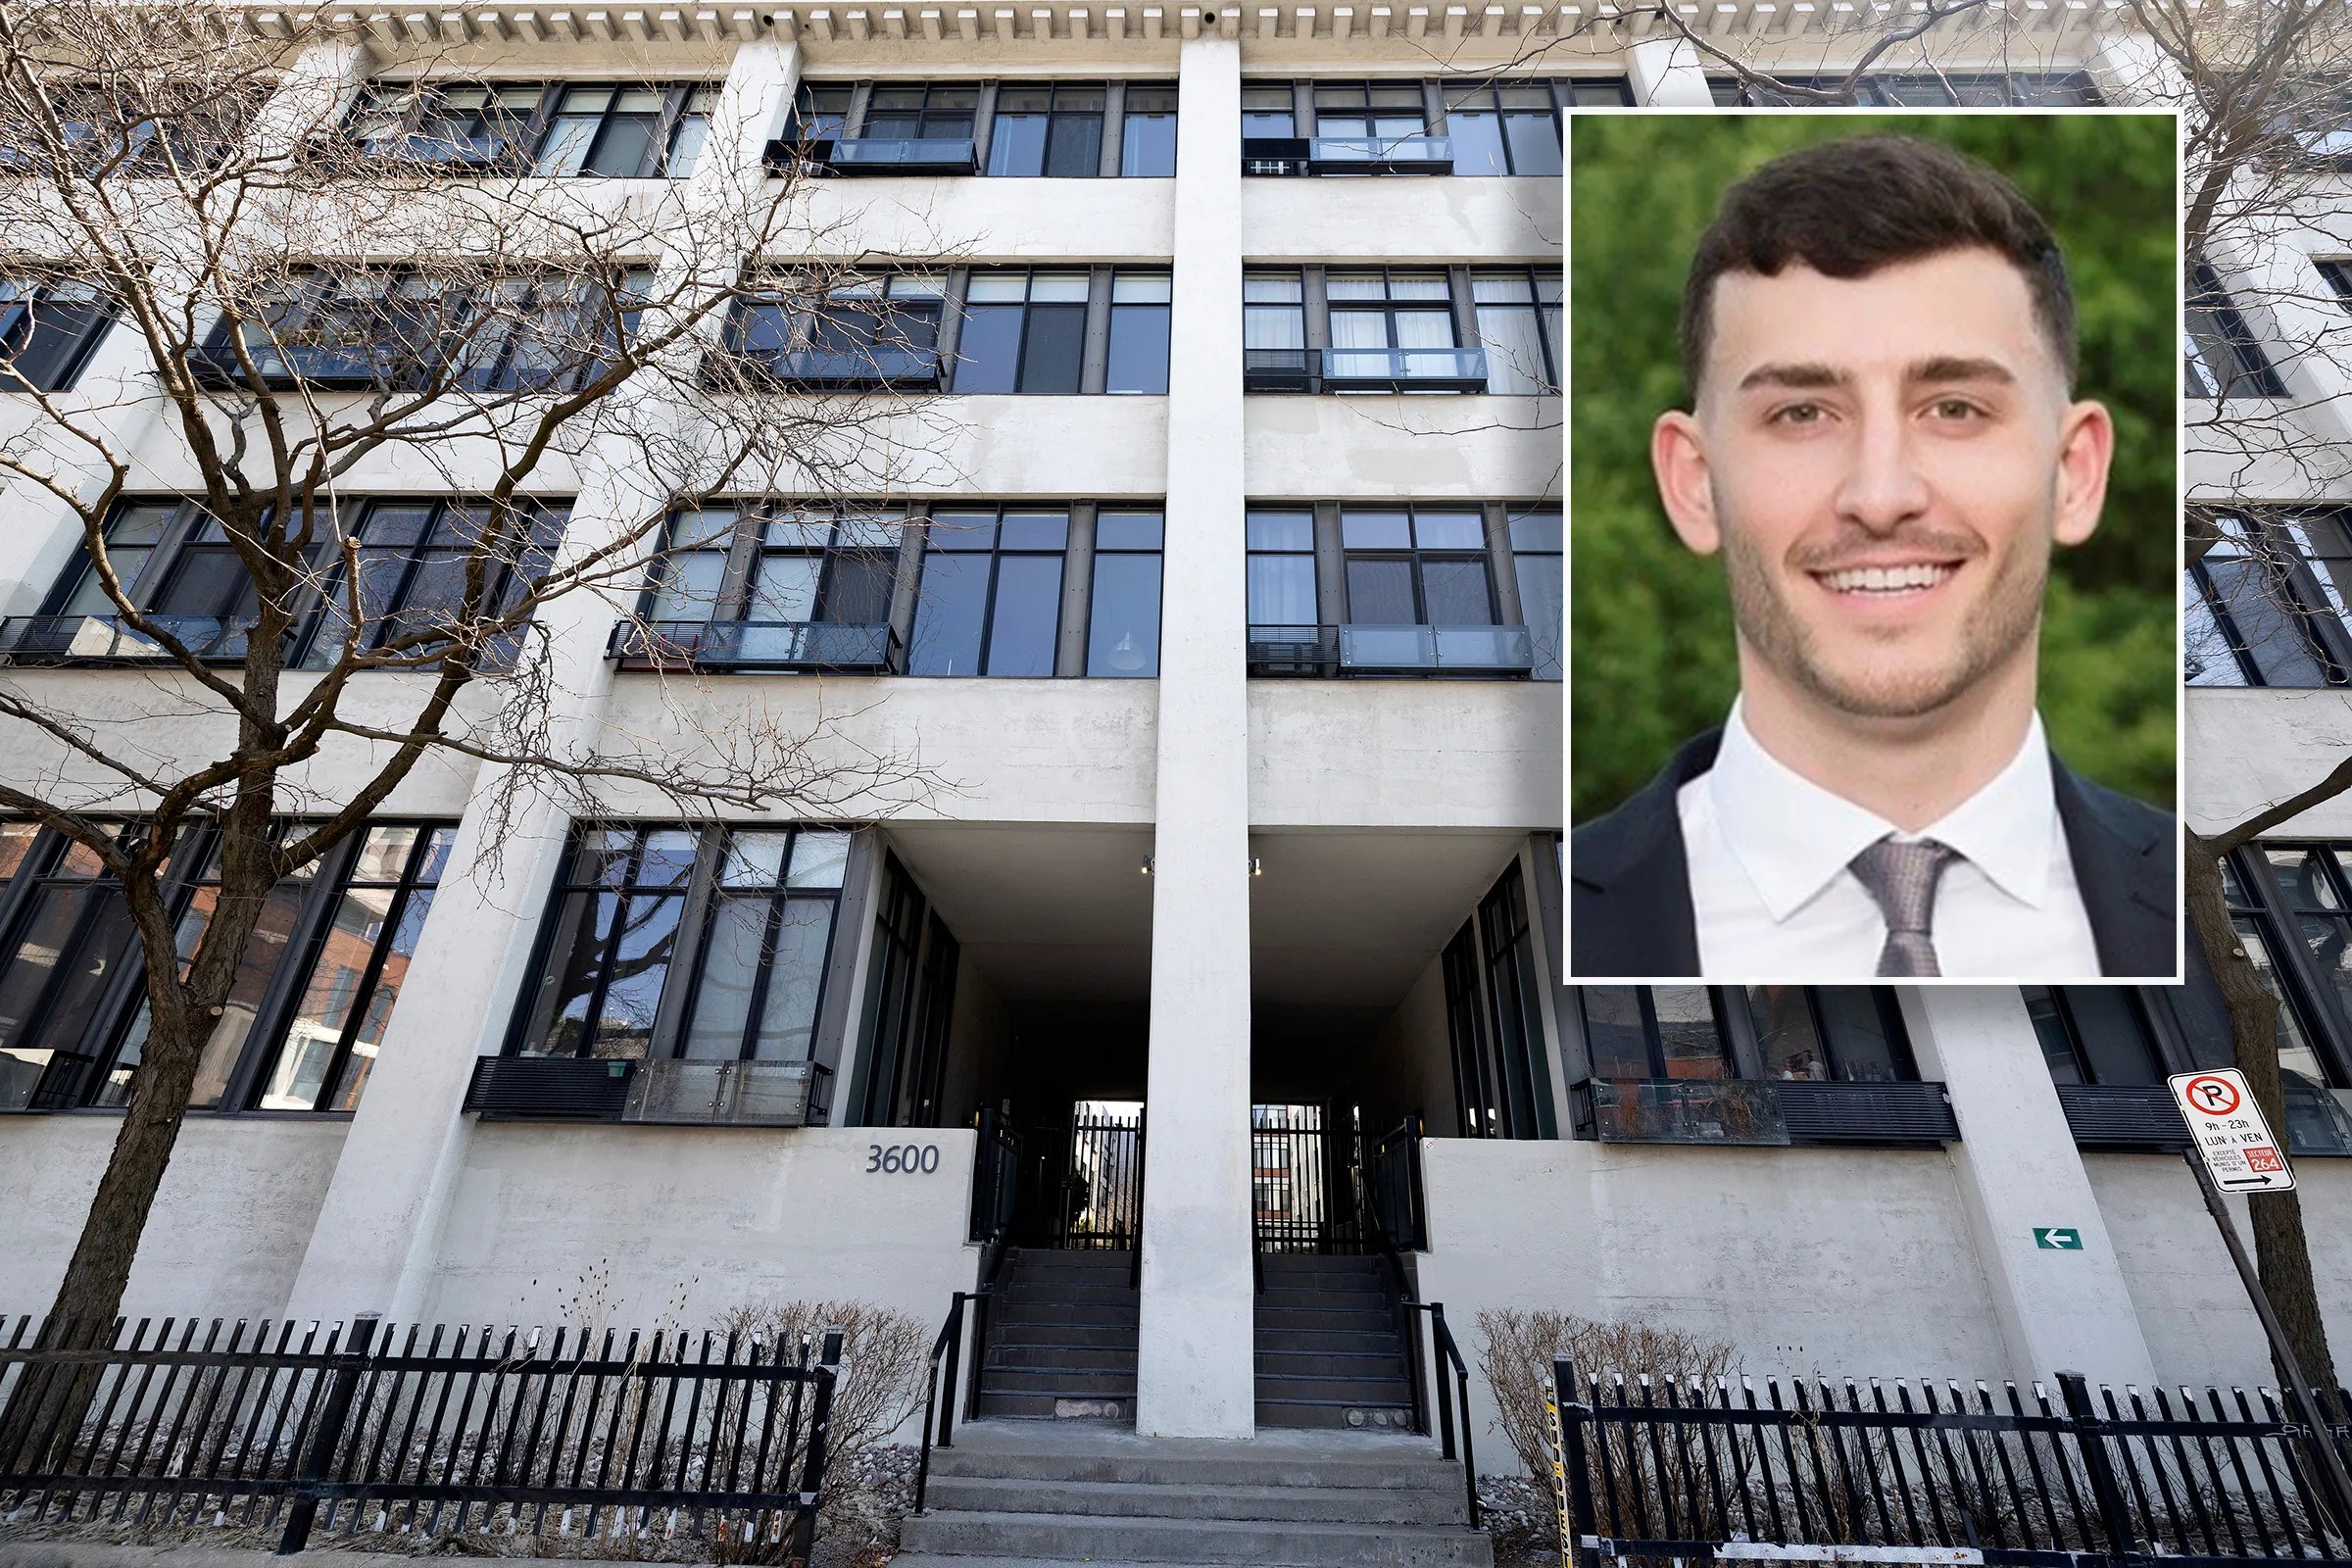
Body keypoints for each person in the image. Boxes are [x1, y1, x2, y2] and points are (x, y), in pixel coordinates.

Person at [1570, 134, 2175, 980]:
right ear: (1694, 483)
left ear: (2075, 473)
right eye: (1802, 415)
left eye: (1956, 408)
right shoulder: (1557, 918)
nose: (1881, 494)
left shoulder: (2210, 913)